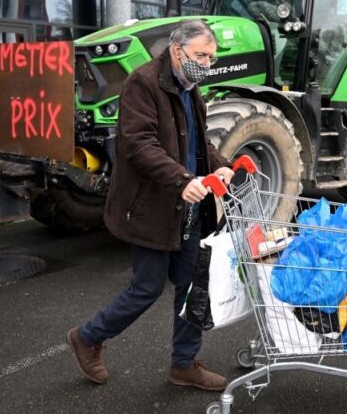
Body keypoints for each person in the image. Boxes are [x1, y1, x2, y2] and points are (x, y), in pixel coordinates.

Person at [66, 20, 236, 390]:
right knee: (146, 287)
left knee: (193, 284)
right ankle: (88, 337)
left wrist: (221, 167)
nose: (207, 63)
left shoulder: (191, 91)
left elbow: (197, 145)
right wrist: (182, 180)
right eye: (201, 55)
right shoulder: (142, 84)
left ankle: (184, 363)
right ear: (177, 51)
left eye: (211, 56)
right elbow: (139, 145)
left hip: (187, 206)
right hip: (151, 207)